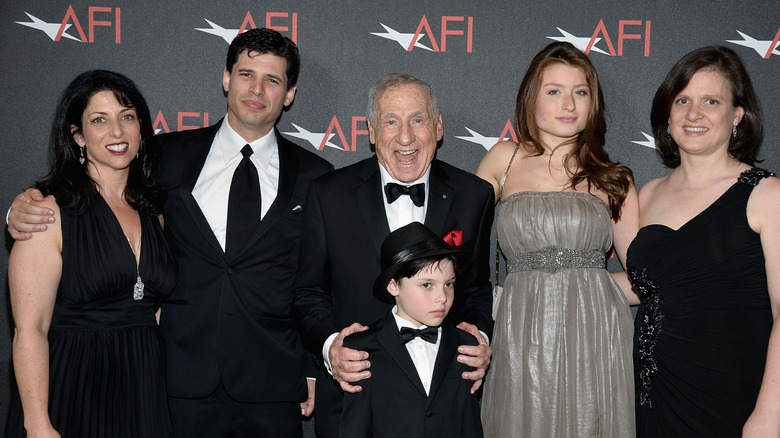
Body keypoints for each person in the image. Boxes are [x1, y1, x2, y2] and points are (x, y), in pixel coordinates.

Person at [8, 28, 333, 437]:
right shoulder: (163, 156)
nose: (257, 89)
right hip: (174, 381)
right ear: (226, 79)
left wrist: (311, 370)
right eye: (247, 74)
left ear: (289, 93)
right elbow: (95, 195)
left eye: (273, 80)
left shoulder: (317, 177)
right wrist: (20, 208)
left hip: (271, 383)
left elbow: (315, 282)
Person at [293, 73, 495, 438]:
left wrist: (478, 336)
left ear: (438, 127)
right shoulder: (328, 195)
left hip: (444, 405)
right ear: (371, 131)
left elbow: (478, 288)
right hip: (353, 399)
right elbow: (308, 293)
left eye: (417, 119)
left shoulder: (473, 195)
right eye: (391, 121)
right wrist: (330, 348)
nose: (405, 137)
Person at [475, 41, 639, 437]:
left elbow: (643, 279)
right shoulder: (504, 159)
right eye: (554, 91)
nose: (569, 104)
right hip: (518, 328)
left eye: (580, 92)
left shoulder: (613, 177)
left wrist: (587, 284)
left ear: (592, 103)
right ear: (531, 98)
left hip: (595, 332)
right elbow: (461, 248)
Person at [6, 70, 177, 437]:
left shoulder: (154, 212)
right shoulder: (49, 214)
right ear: (78, 135)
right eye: (100, 120)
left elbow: (156, 308)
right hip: (74, 385)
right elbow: (30, 329)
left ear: (141, 127)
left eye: (126, 116)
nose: (117, 132)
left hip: (144, 388)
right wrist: (37, 422)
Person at [626, 46, 780, 437]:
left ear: (737, 116)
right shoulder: (648, 194)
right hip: (652, 394)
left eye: (711, 101)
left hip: (730, 397)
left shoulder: (767, 195)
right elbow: (649, 285)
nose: (694, 114)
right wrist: (539, 282)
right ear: (668, 113)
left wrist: (767, 416)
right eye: (683, 100)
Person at [339, 222, 483, 438]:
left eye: (449, 284)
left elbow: (471, 427)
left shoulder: (467, 347)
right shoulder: (360, 350)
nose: (442, 297)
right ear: (393, 286)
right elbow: (355, 430)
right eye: (427, 285)